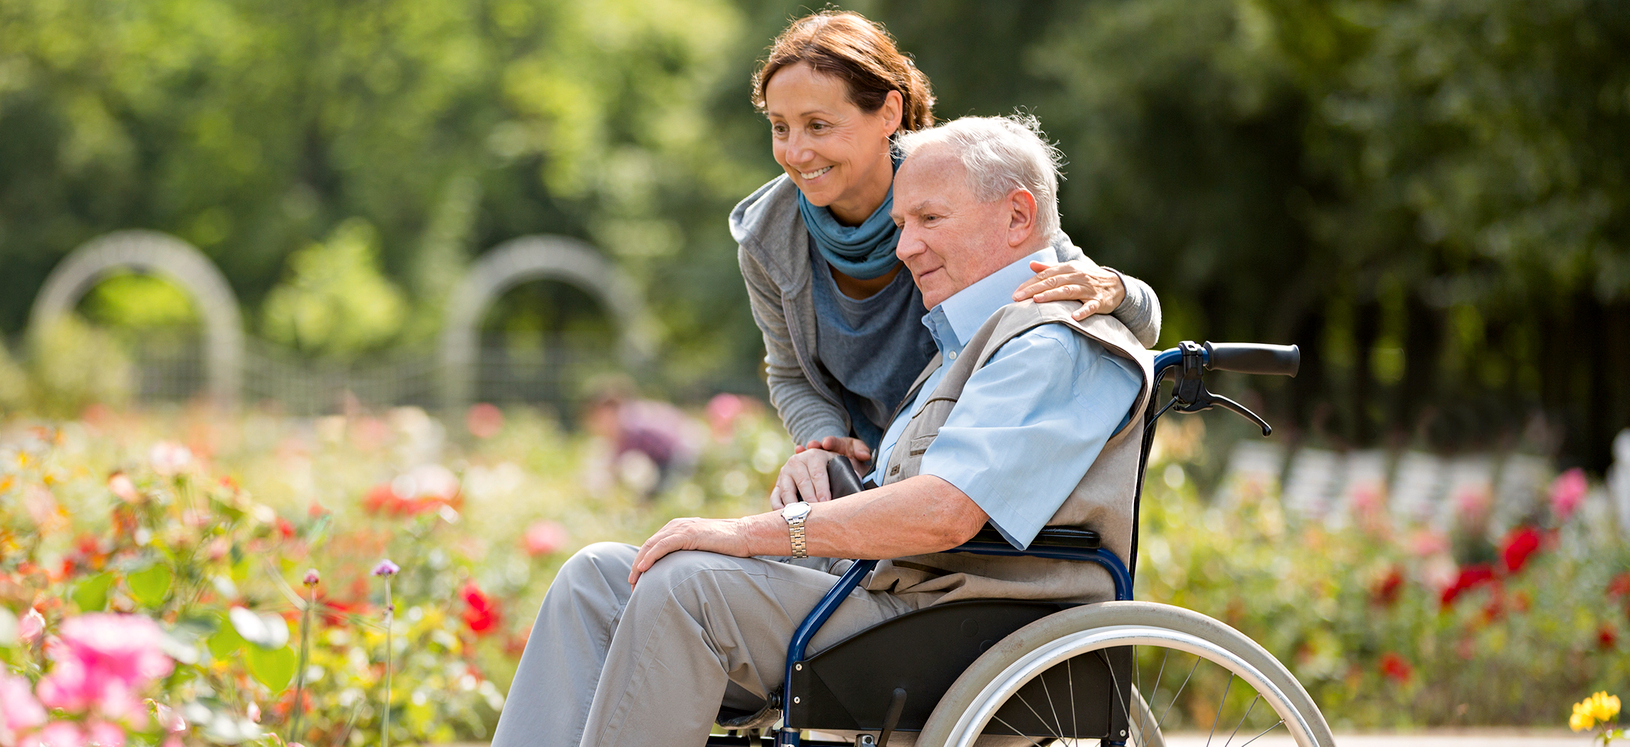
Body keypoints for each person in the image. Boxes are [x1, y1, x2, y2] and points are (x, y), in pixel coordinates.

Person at [491, 115, 1152, 747]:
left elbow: (946, 511)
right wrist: (834, 473)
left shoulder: (1051, 341)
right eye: (900, 222)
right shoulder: (968, 338)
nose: (905, 246)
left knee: (686, 587)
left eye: (929, 219)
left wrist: (747, 535)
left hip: (959, 623)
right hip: (888, 599)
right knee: (599, 578)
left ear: (1017, 216)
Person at [730, 11, 1162, 507]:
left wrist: (1117, 289)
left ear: (889, 113)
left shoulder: (958, 189)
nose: (796, 151)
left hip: (964, 472)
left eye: (819, 125)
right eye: (780, 127)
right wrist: (825, 445)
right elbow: (789, 374)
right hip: (869, 484)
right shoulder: (766, 238)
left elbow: (1104, 301)